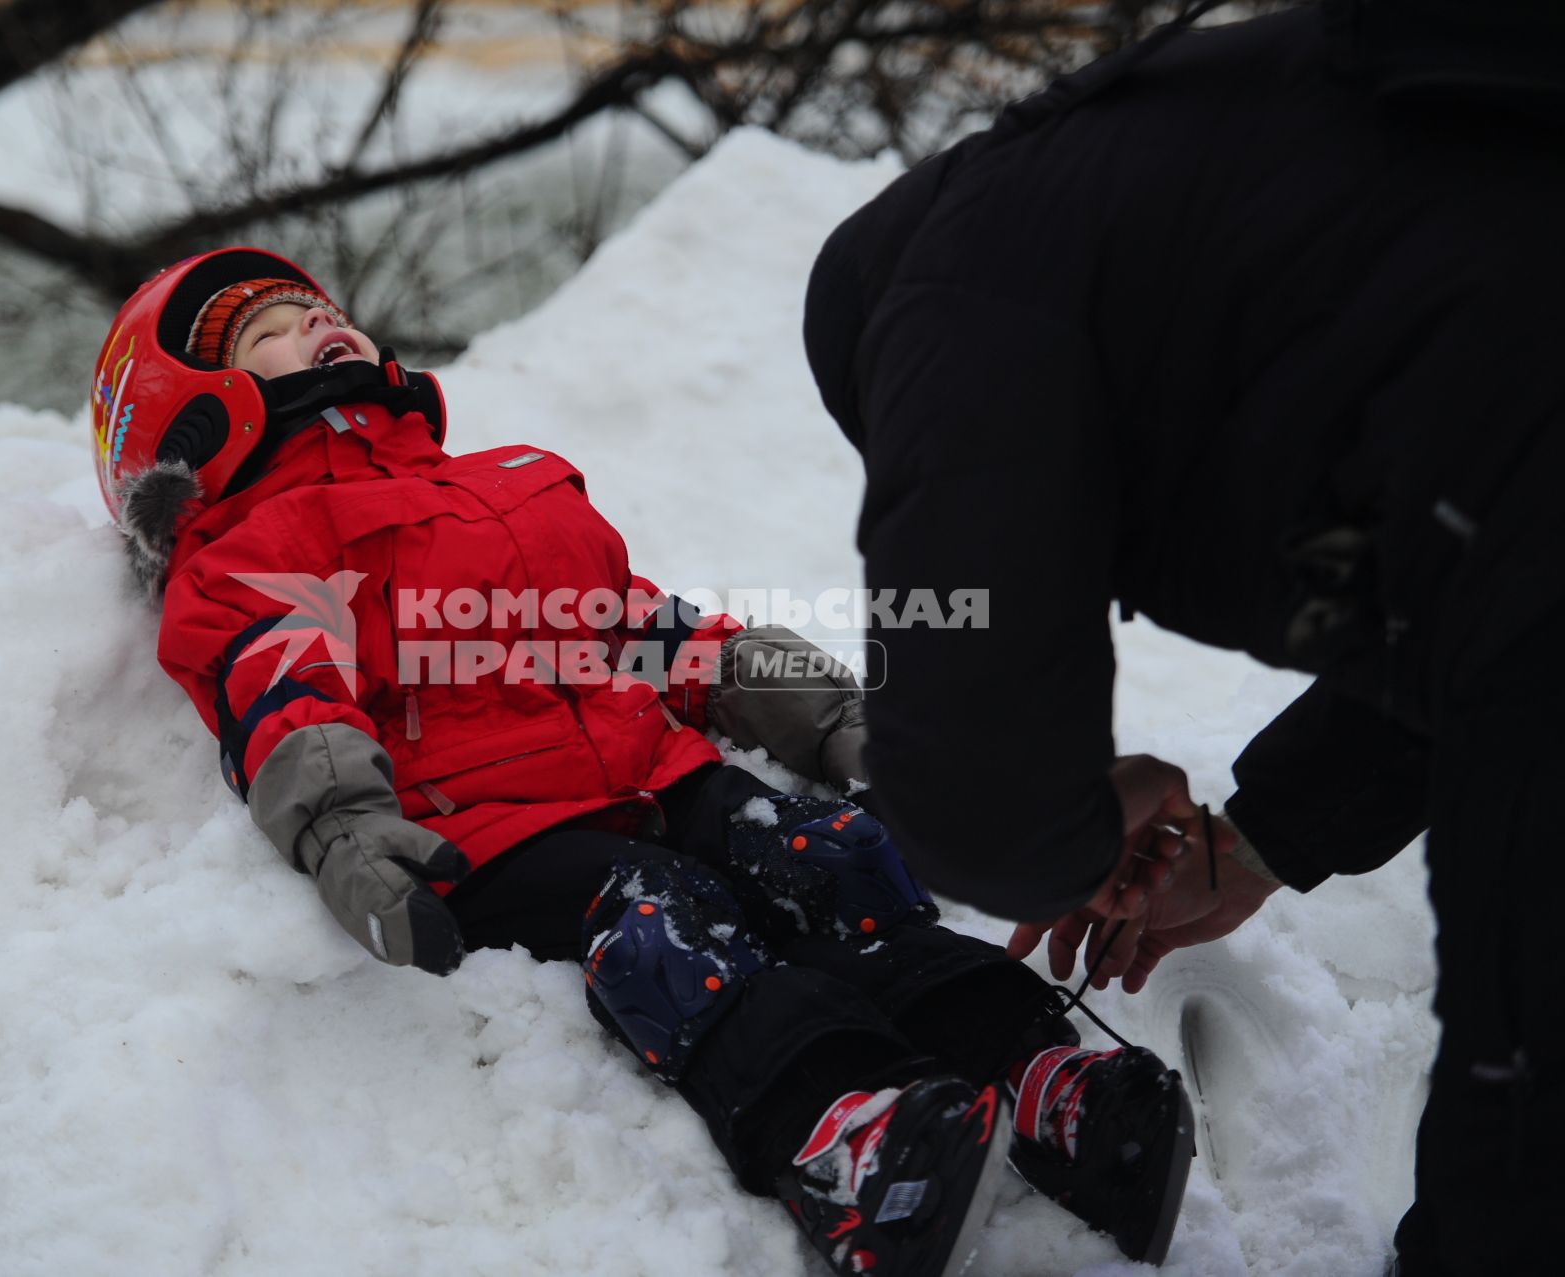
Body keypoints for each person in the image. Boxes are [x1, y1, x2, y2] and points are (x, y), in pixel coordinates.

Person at [91, 248, 1198, 1275]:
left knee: (836, 857)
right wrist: (343, 829)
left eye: (324, 308)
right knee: (669, 927)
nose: (323, 324)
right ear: (189, 418)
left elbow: (638, 624)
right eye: (275, 330)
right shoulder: (258, 547)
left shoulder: (503, 481)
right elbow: (282, 690)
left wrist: (813, 710)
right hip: (500, 823)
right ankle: (841, 1131)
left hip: (654, 768)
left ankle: (1042, 1075)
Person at [802, 2, 1565, 1273]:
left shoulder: (954, 294)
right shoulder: (1175, 201)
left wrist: (1085, 827)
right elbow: (1467, 576)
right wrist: (1266, 837)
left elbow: (972, 774)